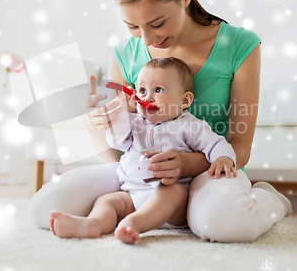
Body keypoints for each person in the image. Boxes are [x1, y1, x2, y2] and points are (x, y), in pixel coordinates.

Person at [30, 0, 292, 243]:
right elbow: (117, 154)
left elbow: (240, 146)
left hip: (210, 170)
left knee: (224, 226)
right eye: (132, 26)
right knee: (43, 208)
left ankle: (270, 200)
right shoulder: (124, 54)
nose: (148, 38)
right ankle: (127, 216)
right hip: (140, 171)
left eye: (157, 23)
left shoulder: (239, 45)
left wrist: (184, 164)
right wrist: (97, 128)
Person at [48, 57, 237, 244]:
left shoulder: (190, 125)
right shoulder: (135, 122)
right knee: (107, 201)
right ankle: (93, 224)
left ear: (184, 100)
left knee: (173, 193)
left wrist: (223, 159)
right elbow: (117, 142)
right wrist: (126, 113)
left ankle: (132, 224)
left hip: (172, 202)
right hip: (132, 194)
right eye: (142, 91)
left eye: (158, 90)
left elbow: (215, 144)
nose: (147, 97)